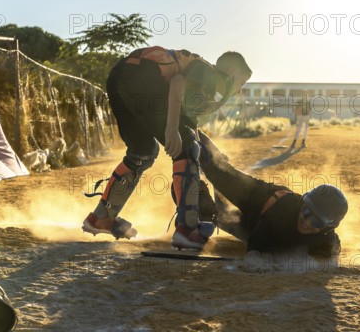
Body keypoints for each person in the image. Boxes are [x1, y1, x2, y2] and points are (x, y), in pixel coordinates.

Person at [82, 46, 252, 250]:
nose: (241, 89)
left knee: (142, 152)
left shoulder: (204, 86)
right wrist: (171, 129)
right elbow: (177, 83)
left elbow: (189, 124)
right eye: (242, 82)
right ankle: (187, 230)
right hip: (142, 78)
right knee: (187, 149)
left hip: (121, 77)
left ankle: (100, 218)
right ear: (232, 73)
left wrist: (211, 151)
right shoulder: (212, 74)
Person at [197, 131, 347, 257]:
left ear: (327, 227)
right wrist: (254, 256)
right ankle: (189, 128)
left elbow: (332, 249)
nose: (307, 222)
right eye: (307, 212)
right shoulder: (285, 208)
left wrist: (333, 252)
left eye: (316, 222)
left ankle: (199, 189)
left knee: (212, 214)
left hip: (252, 225)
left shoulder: (325, 239)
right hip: (253, 195)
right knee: (217, 171)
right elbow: (257, 241)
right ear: (302, 204)